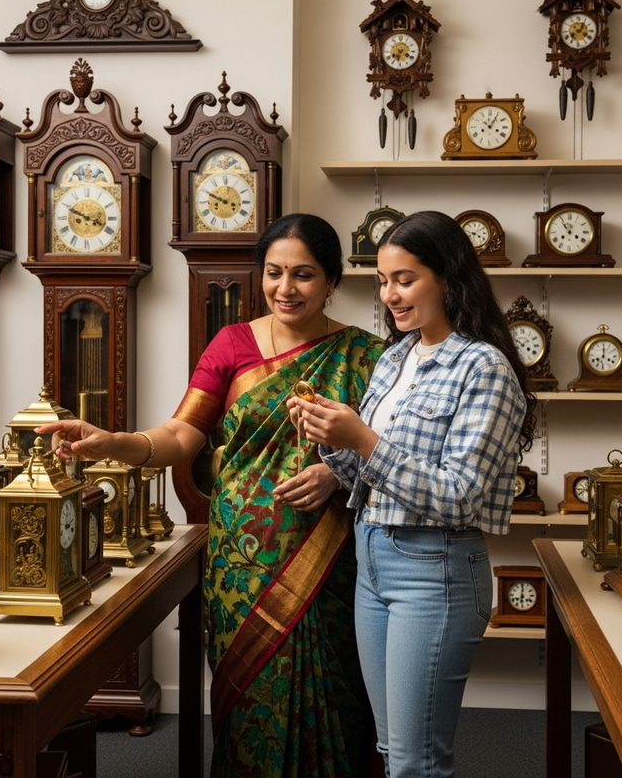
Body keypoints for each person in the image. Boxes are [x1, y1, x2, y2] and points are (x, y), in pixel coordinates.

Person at [36, 213, 386, 777]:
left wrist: (339, 477)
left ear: (331, 281)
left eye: (304, 274)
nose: (286, 288)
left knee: (336, 690)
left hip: (330, 556)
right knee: (250, 694)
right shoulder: (233, 344)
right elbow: (180, 435)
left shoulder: (368, 356)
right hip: (241, 562)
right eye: (274, 273)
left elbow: (385, 453)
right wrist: (111, 441)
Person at [288, 210, 537, 778]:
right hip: (372, 558)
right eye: (381, 280)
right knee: (388, 749)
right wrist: (331, 436)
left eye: (405, 279)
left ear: (448, 278)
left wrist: (364, 438)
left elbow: (460, 495)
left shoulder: (484, 367)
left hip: (436, 569)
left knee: (415, 761)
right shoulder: (396, 357)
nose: (390, 295)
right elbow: (367, 477)